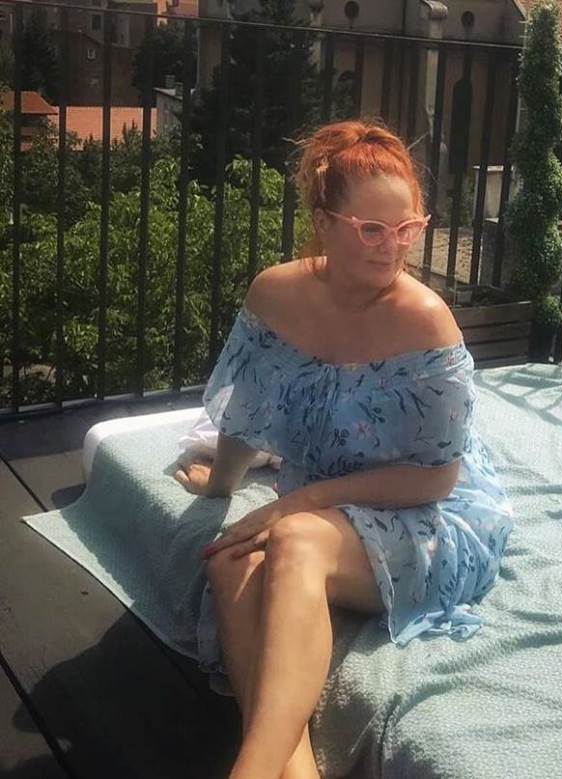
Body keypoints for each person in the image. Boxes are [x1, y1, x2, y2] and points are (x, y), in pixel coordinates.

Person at [173, 120, 514, 779]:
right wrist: (221, 485)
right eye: (372, 229)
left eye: (407, 229)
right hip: (327, 509)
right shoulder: (275, 294)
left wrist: (298, 502)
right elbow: (247, 410)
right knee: (230, 561)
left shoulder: (425, 321)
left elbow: (438, 479)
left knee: (295, 538)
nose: (393, 248)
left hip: (429, 514)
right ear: (324, 223)